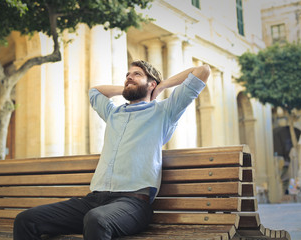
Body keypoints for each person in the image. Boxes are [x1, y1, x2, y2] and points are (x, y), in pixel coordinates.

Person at [13, 60, 210, 240]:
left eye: (137, 74)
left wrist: (161, 86)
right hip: (94, 200)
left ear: (152, 84)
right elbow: (94, 92)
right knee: (25, 220)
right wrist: (130, 87)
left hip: (132, 204)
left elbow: (202, 71)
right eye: (127, 75)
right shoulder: (114, 114)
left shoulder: (164, 112)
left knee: (96, 220)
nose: (129, 77)